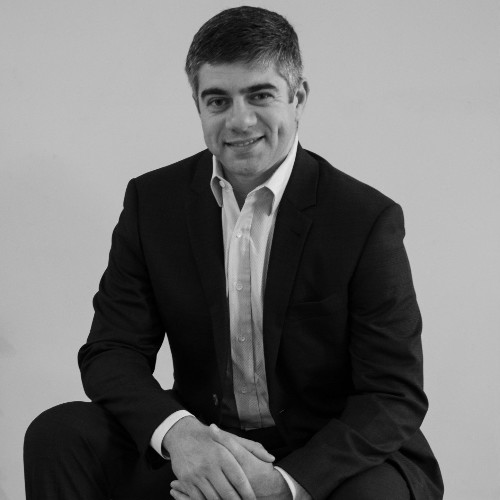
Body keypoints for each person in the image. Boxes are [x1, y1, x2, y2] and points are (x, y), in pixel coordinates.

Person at [24, 6, 444, 500]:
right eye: (218, 100)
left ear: (298, 98)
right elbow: (111, 351)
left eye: (260, 95)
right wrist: (181, 435)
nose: (239, 120)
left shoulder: (364, 218)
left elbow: (392, 392)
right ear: (198, 106)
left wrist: (285, 484)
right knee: (59, 434)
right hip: (207, 440)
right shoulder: (152, 203)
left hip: (331, 454)